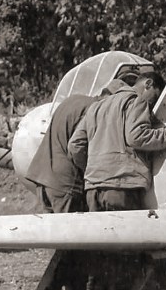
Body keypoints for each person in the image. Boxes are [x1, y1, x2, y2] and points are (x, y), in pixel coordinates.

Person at [68, 71, 166, 213]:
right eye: (155, 96)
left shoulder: (95, 108)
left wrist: (94, 169)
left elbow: (74, 145)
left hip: (93, 191)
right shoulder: (137, 101)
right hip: (122, 187)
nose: (153, 104)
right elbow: (137, 137)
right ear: (148, 84)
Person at [25, 79, 126, 213]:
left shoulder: (73, 100)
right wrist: (89, 172)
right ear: (112, 98)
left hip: (43, 177)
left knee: (52, 226)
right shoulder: (93, 110)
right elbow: (76, 147)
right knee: (70, 226)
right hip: (65, 183)